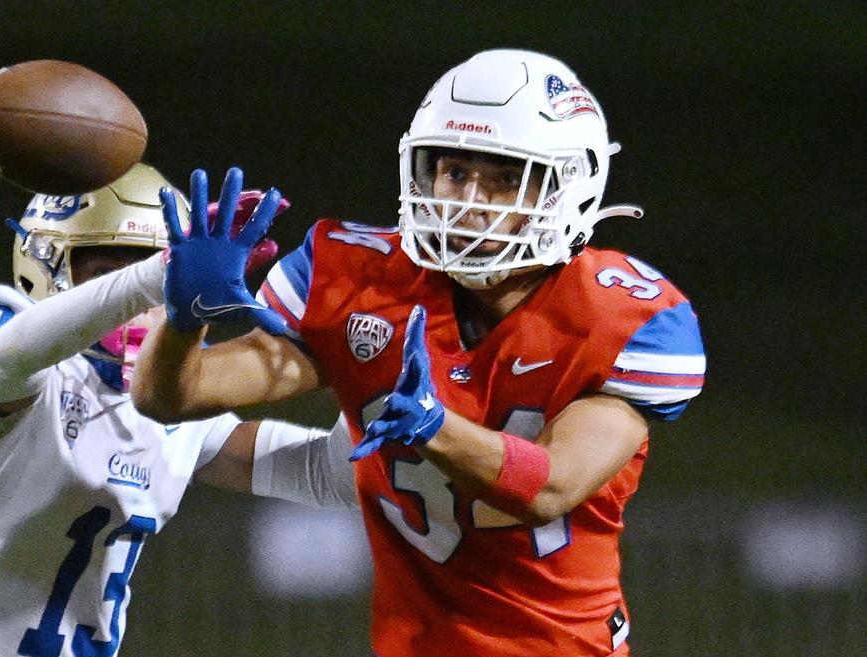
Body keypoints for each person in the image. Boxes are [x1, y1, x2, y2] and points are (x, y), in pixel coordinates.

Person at [132, 49, 706, 657]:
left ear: (569, 188)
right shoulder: (361, 280)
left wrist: (435, 425)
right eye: (455, 173)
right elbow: (172, 396)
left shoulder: (624, 315)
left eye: (506, 178)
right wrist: (184, 319)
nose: (470, 202)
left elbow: (553, 487)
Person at [0, 163, 357, 657]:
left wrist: (365, 370)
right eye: (108, 273)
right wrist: (157, 274)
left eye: (161, 274)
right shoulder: (0, 330)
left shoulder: (168, 406)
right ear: (44, 267)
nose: (139, 302)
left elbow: (334, 476)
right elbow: (6, 363)